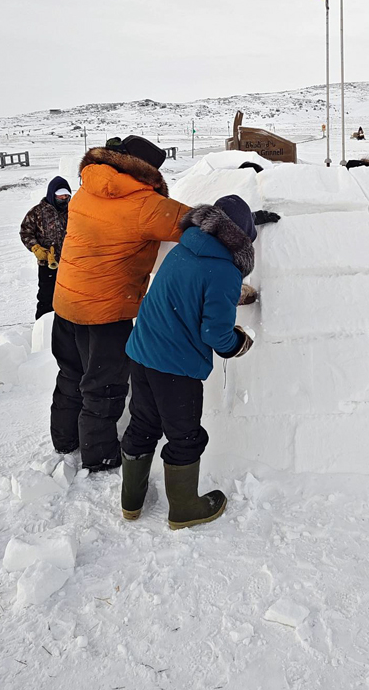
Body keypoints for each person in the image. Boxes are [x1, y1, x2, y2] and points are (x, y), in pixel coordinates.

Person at [50, 137, 191, 472]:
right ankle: (99, 457)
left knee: (71, 375)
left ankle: (64, 440)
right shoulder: (144, 203)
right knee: (104, 386)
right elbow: (191, 223)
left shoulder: (88, 187)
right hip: (105, 313)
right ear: (148, 171)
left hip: (66, 302)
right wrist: (234, 220)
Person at [120, 195, 257, 529]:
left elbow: (186, 295)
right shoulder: (224, 270)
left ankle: (131, 502)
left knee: (143, 424)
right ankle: (183, 508)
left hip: (142, 353)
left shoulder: (182, 249)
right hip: (175, 367)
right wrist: (240, 343)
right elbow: (216, 334)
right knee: (185, 436)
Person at [19, 176, 72, 319]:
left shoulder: (73, 210)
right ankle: (42, 327)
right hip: (47, 263)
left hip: (70, 263)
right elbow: (25, 232)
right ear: (52, 194)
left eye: (67, 195)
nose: (64, 198)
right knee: (46, 297)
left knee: (69, 297)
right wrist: (36, 248)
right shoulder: (37, 212)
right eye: (61, 195)